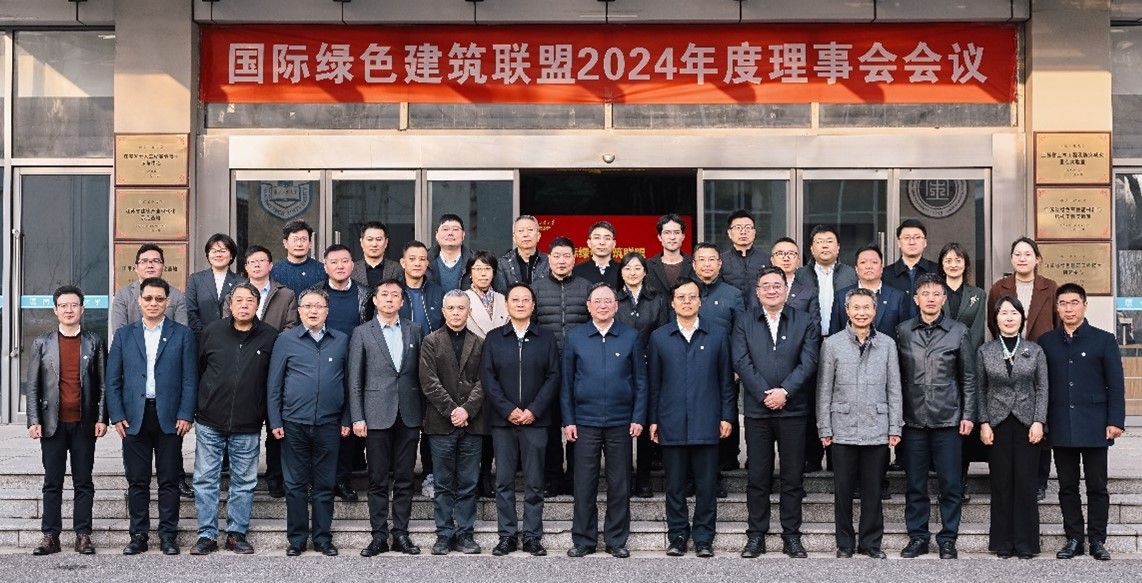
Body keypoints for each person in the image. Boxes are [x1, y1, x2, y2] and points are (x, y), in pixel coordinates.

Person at [106, 277, 197, 556]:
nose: (153, 303)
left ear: (167, 302)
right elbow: (113, 380)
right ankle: (139, 535)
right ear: (139, 301)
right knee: (138, 480)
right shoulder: (124, 335)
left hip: (170, 417)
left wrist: (186, 413)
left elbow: (190, 379)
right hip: (134, 417)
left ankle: (168, 535)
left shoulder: (182, 334)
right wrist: (116, 415)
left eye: (159, 299)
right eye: (148, 298)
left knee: (169, 480)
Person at [733, 267, 819, 559]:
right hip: (758, 411)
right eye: (766, 286)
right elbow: (741, 360)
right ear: (757, 292)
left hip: (793, 410)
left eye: (777, 285)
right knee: (758, 476)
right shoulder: (744, 321)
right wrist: (764, 394)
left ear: (786, 289)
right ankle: (756, 535)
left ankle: (791, 535)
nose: (772, 290)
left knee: (792, 477)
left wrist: (786, 391)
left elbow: (809, 361)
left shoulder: (803, 320)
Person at [648, 279, 735, 558]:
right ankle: (677, 536)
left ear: (700, 301)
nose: (687, 302)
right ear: (672, 303)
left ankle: (704, 538)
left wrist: (727, 415)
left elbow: (726, 381)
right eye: (681, 297)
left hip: (707, 420)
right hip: (671, 420)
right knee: (674, 486)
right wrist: (653, 419)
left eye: (692, 297)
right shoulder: (659, 337)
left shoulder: (717, 335)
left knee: (706, 486)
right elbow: (654, 384)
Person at [1039, 283, 1126, 561]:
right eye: (1063, 303)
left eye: (1074, 302)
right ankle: (1074, 538)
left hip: (1095, 425)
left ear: (1085, 306)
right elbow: (1041, 386)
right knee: (1067, 487)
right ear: (1057, 308)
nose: (1069, 309)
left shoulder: (1104, 340)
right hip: (1060, 423)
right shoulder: (1046, 342)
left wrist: (1115, 420)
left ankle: (1097, 540)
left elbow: (1116, 385)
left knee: (1097, 487)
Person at [190, 283, 278, 555]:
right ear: (230, 304)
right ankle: (206, 535)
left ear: (257, 305)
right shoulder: (212, 332)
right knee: (205, 479)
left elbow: (272, 381)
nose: (243, 305)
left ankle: (236, 534)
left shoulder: (270, 336)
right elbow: (199, 369)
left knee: (244, 482)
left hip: (248, 422)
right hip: (210, 419)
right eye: (238, 300)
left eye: (249, 300)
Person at [562, 283, 648, 559]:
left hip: (620, 422)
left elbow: (641, 381)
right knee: (584, 483)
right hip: (584, 422)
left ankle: (616, 539)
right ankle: (583, 539)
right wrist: (568, 420)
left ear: (616, 306)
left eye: (608, 301)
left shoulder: (630, 337)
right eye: (597, 301)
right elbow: (566, 383)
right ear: (588, 306)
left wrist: (638, 416)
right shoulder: (575, 337)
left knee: (619, 483)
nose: (602, 306)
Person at [816, 287, 902, 560]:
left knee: (873, 490)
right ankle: (844, 543)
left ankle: (871, 542)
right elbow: (824, 389)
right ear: (847, 311)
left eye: (867, 307)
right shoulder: (832, 344)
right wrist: (824, 427)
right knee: (843, 491)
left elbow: (894, 388)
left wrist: (895, 427)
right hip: (842, 427)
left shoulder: (887, 344)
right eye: (856, 307)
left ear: (875, 311)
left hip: (877, 426)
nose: (861, 313)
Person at [896, 273, 977, 560]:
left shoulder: (959, 331)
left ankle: (948, 538)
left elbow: (968, 377)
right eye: (925, 294)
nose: (930, 299)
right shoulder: (903, 331)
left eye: (936, 294)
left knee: (950, 484)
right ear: (916, 299)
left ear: (944, 299)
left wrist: (968, 414)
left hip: (949, 419)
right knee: (915, 484)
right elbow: (897, 377)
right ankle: (918, 537)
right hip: (913, 419)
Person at [267, 288, 351, 557]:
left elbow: (349, 383)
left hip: (329, 424)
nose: (313, 311)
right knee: (295, 485)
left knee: (325, 484)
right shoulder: (285, 340)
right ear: (299, 310)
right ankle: (297, 539)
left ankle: (323, 538)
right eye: (307, 306)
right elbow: (274, 384)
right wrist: (275, 419)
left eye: (318, 306)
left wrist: (347, 417)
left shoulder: (341, 340)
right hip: (293, 423)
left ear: (327, 310)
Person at [481, 283, 561, 557]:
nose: (520, 304)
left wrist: (534, 410)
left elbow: (553, 377)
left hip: (536, 421)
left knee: (535, 482)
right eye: (515, 299)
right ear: (507, 304)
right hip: (503, 422)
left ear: (533, 305)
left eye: (526, 300)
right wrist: (508, 410)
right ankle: (506, 536)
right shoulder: (494, 338)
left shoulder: (546, 338)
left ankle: (532, 536)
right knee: (503, 482)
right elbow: (488, 378)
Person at [26, 285, 107, 556]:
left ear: (82, 309)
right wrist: (33, 419)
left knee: (83, 481)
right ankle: (51, 536)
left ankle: (83, 535)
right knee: (52, 482)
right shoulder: (42, 343)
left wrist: (101, 418)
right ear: (55, 310)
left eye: (74, 305)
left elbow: (103, 385)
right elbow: (34, 386)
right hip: (53, 424)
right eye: (63, 306)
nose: (69, 310)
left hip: (84, 423)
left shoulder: (94, 342)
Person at [350, 279, 425, 557]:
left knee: (405, 478)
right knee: (377, 479)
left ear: (403, 302)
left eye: (395, 295)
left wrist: (424, 414)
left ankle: (401, 533)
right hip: (376, 414)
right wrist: (357, 416)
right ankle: (379, 535)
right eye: (384, 294)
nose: (390, 299)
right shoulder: (362, 333)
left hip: (409, 413)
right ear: (375, 300)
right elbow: (355, 379)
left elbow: (421, 374)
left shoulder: (414, 330)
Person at [976, 296, 1048, 559]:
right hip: (997, 424)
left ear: (1022, 318)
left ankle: (1026, 543)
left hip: (1027, 423)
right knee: (1001, 483)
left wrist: (1039, 421)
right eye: (1003, 313)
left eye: (1014, 313)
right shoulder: (985, 351)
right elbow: (980, 390)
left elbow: (1042, 388)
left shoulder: (1035, 350)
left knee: (1026, 483)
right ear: (995, 319)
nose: (1009, 317)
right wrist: (984, 423)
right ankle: (1003, 542)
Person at [988, 236, 1059, 500]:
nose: (1022, 258)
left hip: (1041, 356)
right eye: (1017, 254)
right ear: (1011, 259)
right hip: (1007, 356)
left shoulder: (1050, 287)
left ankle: (1039, 480)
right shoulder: (1000, 288)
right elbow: (993, 322)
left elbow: (1056, 322)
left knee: (1041, 417)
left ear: (1037, 259)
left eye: (1028, 254)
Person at [420, 290, 487, 555]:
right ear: (443, 311)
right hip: (441, 423)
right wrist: (453, 410)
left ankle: (465, 534)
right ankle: (444, 534)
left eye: (461, 308)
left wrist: (467, 410)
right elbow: (428, 381)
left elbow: (484, 381)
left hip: (472, 423)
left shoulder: (479, 343)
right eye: (451, 308)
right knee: (443, 483)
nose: (456, 313)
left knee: (469, 482)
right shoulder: (431, 341)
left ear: (469, 311)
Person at [232, 244, 298, 499]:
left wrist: (270, 346)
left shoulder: (286, 294)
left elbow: (291, 326)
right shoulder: (235, 293)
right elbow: (229, 324)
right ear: (246, 267)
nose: (257, 265)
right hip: (243, 366)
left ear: (271, 265)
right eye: (252, 261)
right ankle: (237, 472)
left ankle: (275, 477)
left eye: (262, 261)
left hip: (274, 363)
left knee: (275, 425)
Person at [533, 236, 591, 497]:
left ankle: (574, 479)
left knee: (577, 426)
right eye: (556, 256)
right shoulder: (536, 289)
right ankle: (552, 479)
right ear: (549, 259)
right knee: (549, 426)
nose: (561, 261)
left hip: (580, 369)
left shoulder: (586, 287)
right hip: (547, 368)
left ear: (574, 259)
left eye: (567, 256)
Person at [691, 242, 745, 494]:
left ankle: (719, 474)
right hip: (690, 370)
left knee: (722, 420)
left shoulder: (733, 294)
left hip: (723, 369)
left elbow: (740, 333)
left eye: (712, 259)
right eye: (701, 259)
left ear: (719, 264)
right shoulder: (686, 291)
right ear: (694, 265)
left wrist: (736, 366)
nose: (707, 264)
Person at [615, 252, 667, 497]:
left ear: (645, 272)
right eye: (627, 268)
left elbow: (662, 334)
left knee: (645, 424)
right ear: (621, 272)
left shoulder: (657, 299)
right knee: (623, 426)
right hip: (619, 369)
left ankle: (644, 479)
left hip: (649, 367)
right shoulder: (614, 299)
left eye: (637, 268)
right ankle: (624, 478)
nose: (632, 273)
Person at [938, 242, 987, 502]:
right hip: (940, 367)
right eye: (948, 260)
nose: (953, 264)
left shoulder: (978, 294)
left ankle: (961, 484)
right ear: (941, 264)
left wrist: (965, 358)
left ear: (965, 263)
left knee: (964, 428)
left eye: (958, 260)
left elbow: (977, 332)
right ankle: (945, 484)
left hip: (968, 367)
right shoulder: (935, 293)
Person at [322, 244, 371, 502]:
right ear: (325, 266)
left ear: (353, 265)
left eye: (345, 261)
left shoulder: (366, 294)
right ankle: (322, 480)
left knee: (350, 422)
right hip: (323, 363)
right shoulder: (315, 293)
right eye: (334, 262)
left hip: (356, 363)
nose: (340, 266)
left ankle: (343, 478)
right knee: (326, 423)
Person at [772, 236, 824, 473]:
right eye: (780, 253)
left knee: (805, 412)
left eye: (791, 253)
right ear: (772, 259)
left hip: (801, 360)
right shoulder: (761, 288)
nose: (786, 258)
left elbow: (814, 326)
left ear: (798, 259)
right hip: (769, 360)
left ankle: (808, 459)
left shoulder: (808, 291)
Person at [398, 240, 444, 499]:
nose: (417, 263)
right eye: (412, 258)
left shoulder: (437, 292)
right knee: (403, 423)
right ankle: (401, 475)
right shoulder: (393, 291)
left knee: (431, 423)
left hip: (432, 366)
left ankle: (430, 474)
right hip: (401, 366)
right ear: (403, 262)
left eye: (422, 259)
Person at [463, 250, 508, 499]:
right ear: (470, 273)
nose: (483, 274)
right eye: (478, 269)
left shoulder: (503, 299)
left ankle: (487, 476)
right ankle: (473, 478)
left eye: (487, 269)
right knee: (475, 427)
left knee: (492, 427)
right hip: (472, 371)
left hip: (501, 371)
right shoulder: (463, 299)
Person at [829, 245, 907, 341]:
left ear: (882, 268)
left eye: (874, 262)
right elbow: (834, 336)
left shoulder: (897, 297)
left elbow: (904, 337)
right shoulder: (841, 296)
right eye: (863, 262)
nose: (869, 266)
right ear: (856, 268)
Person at [109, 244, 189, 336]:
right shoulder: (123, 295)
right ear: (136, 268)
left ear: (163, 267)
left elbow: (181, 333)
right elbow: (119, 333)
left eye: (156, 261)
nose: (150, 265)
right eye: (144, 261)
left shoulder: (177, 295)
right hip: (131, 345)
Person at [794, 225, 858, 338]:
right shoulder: (799, 275)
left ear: (838, 247)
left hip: (844, 338)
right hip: (808, 339)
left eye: (829, 241)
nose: (825, 246)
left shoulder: (851, 274)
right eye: (819, 242)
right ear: (812, 249)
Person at [185, 233, 241, 338]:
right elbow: (190, 310)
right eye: (214, 251)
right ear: (208, 255)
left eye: (223, 251)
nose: (218, 254)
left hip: (233, 338)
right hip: (201, 338)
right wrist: (205, 333)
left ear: (231, 255)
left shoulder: (241, 282)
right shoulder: (196, 279)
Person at [883, 219, 939, 319]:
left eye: (917, 237)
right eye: (906, 238)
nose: (912, 242)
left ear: (925, 242)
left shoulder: (937, 271)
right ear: (899, 243)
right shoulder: (885, 274)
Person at [720, 210, 770, 299]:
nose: (743, 232)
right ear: (729, 233)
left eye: (748, 227)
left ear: (754, 232)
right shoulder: (721, 261)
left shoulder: (767, 259)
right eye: (738, 228)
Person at [493, 215, 549, 293]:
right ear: (514, 238)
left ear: (538, 236)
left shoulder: (549, 262)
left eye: (530, 230)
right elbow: (501, 294)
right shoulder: (503, 264)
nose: (525, 234)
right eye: (520, 231)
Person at [272, 220, 325, 297]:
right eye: (295, 239)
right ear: (285, 243)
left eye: (304, 239)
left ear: (310, 243)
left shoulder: (321, 270)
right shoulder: (274, 270)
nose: (299, 244)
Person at [645, 214, 693, 296]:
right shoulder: (648, 266)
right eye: (667, 233)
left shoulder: (694, 264)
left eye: (676, 232)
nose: (672, 237)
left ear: (683, 236)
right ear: (659, 237)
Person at [351, 221, 404, 290]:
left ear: (386, 242)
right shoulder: (351, 269)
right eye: (370, 239)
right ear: (361, 242)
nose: (374, 244)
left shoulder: (397, 269)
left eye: (379, 239)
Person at [428, 214, 474, 293]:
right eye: (445, 229)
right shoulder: (425, 260)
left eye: (455, 229)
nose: (450, 233)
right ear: (436, 235)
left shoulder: (474, 260)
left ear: (463, 235)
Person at [572, 221, 620, 288]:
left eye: (607, 238)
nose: (602, 242)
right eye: (597, 238)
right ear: (589, 243)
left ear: (614, 243)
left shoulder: (624, 271)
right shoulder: (576, 272)